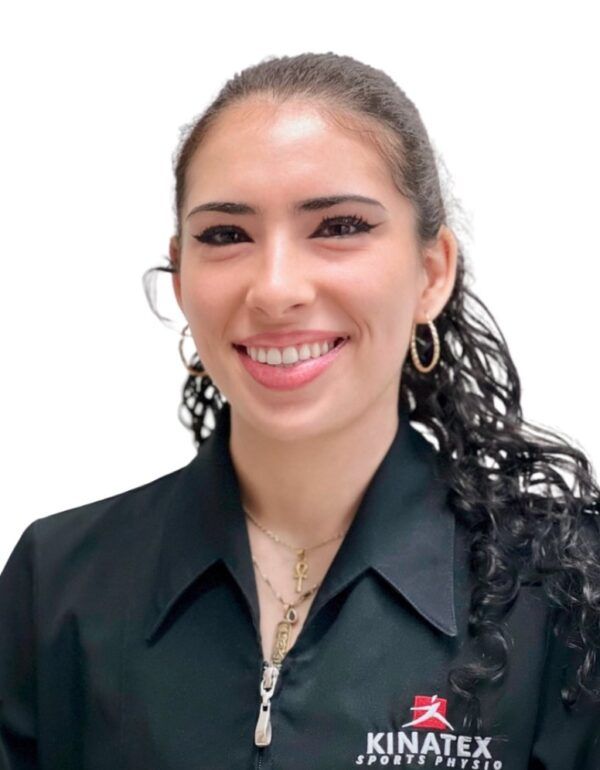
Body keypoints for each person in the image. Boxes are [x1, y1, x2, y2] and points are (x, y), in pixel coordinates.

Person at [1, 52, 599, 770]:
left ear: (432, 272)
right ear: (181, 276)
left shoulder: (563, 588)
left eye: (338, 226)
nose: (276, 288)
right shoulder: (55, 581)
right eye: (226, 235)